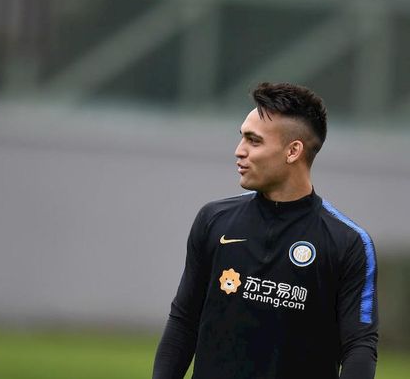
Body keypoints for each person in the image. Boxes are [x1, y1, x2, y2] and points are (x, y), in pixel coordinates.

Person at [152, 82, 378, 379]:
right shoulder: (213, 220)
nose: (239, 151)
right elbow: (183, 322)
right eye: (242, 137)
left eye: (253, 141)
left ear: (293, 151)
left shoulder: (348, 243)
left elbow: (359, 347)